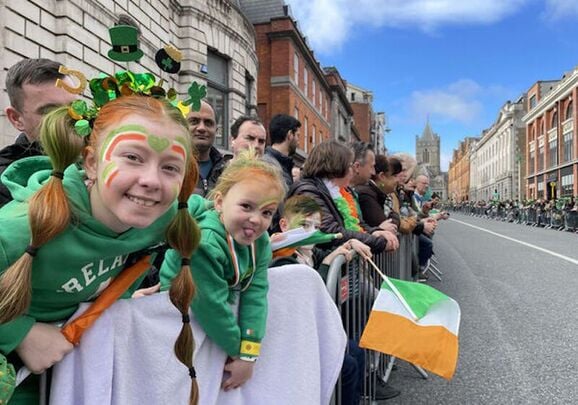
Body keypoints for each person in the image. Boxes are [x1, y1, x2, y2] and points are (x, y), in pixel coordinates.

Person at [0, 95, 200, 404]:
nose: (151, 181)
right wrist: (20, 334)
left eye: (170, 167)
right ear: (92, 162)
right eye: (133, 157)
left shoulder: (159, 216)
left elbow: (216, 214)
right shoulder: (18, 229)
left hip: (72, 367)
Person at [160, 150, 286, 393]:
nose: (255, 220)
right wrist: (236, 350)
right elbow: (211, 308)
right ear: (219, 202)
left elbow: (256, 293)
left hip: (206, 309)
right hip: (173, 314)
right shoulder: (204, 242)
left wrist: (249, 352)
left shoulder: (260, 243)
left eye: (266, 212)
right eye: (246, 206)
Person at [288, 140, 395, 253]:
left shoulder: (339, 191)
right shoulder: (308, 191)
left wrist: (374, 232)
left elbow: (356, 223)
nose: (352, 171)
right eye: (349, 166)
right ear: (336, 167)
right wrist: (378, 242)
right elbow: (330, 230)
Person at [1, 58, 78, 207]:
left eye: (74, 107)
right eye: (50, 111)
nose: (68, 117)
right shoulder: (5, 182)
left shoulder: (102, 156)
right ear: (16, 118)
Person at [188, 100, 227, 197]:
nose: (201, 128)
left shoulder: (228, 173)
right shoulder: (171, 168)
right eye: (194, 121)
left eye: (208, 123)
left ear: (216, 131)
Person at [265, 114, 301, 189]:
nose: (298, 142)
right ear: (290, 135)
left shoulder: (270, 163)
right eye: (298, 135)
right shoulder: (272, 168)